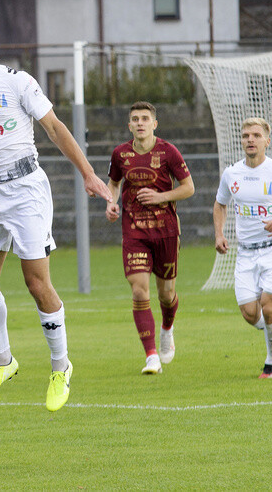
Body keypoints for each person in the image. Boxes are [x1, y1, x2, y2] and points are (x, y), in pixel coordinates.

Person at [0, 21, 113, 412]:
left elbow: (54, 127)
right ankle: (3, 361)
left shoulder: (15, 81)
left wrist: (88, 174)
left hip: (25, 189)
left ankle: (60, 366)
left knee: (36, 283)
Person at [213, 117, 272, 379]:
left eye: (256, 135)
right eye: (245, 136)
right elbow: (220, 204)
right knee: (249, 312)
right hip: (245, 251)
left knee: (268, 306)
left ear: (267, 140)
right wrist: (219, 233)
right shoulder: (231, 173)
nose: (250, 140)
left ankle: (271, 365)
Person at [105, 102, 195, 374]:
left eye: (145, 118)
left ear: (154, 124)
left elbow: (189, 188)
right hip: (134, 231)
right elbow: (114, 183)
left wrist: (161, 197)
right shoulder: (120, 154)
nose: (140, 123)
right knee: (139, 289)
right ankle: (151, 355)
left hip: (166, 230)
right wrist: (110, 203)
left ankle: (167, 327)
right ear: (129, 126)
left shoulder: (168, 152)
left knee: (166, 294)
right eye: (135, 119)